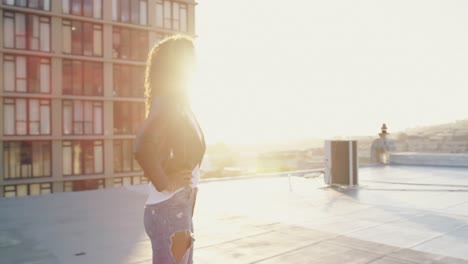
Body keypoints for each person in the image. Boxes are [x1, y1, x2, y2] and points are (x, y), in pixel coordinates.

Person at [133, 35, 205, 264]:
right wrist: (166, 182)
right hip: (169, 211)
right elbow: (142, 146)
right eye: (188, 59)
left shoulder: (181, 104)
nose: (194, 64)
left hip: (177, 210)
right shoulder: (167, 102)